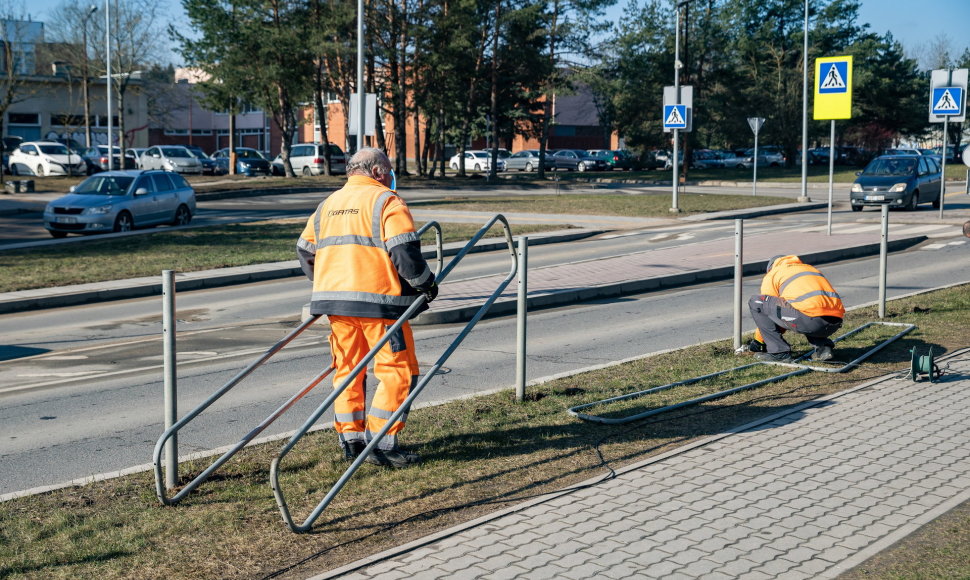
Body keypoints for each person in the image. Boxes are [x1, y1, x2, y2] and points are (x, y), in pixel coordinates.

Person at [297, 148, 437, 468]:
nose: (391, 176)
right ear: (377, 171)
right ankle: (383, 444)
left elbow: (305, 250)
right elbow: (404, 252)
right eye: (388, 170)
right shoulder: (387, 201)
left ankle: (352, 440)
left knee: (348, 372)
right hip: (381, 306)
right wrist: (426, 284)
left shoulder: (327, 205)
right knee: (398, 372)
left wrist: (328, 283)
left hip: (337, 306)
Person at [747, 255, 844, 363]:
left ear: (770, 268)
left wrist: (759, 341)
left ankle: (779, 353)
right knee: (806, 307)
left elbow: (770, 314)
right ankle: (823, 348)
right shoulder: (809, 269)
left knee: (757, 301)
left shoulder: (773, 273)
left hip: (809, 320)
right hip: (834, 322)